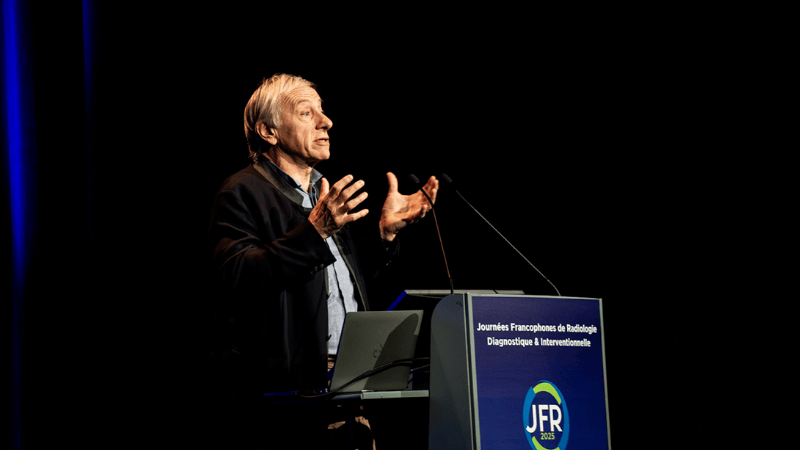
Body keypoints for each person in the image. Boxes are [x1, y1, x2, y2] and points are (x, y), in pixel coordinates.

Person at [207, 73, 438, 449]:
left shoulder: (323, 192)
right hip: (290, 393)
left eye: (323, 111)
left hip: (352, 377)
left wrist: (383, 234)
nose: (326, 122)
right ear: (269, 131)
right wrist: (314, 231)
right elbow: (236, 275)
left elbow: (329, 281)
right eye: (306, 112)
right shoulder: (242, 192)